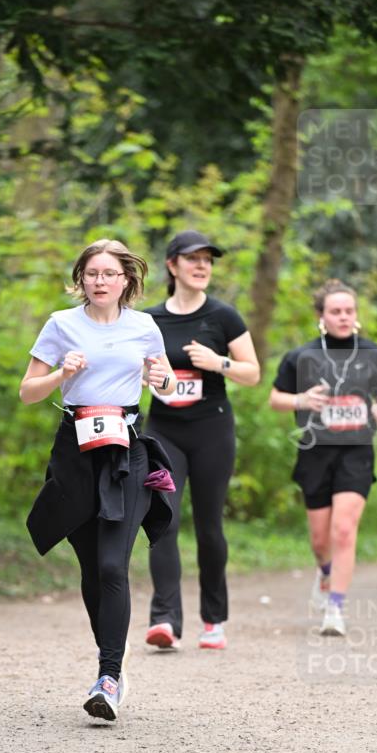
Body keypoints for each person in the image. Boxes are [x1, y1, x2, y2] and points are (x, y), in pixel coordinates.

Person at [21, 238, 176, 722]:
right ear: (80, 279)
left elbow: (167, 384)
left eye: (110, 274)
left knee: (113, 566)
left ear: (126, 279)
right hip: (75, 449)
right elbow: (28, 392)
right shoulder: (61, 325)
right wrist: (59, 375)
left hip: (125, 450)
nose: (101, 281)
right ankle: (113, 660)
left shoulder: (145, 327)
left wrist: (160, 379)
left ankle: (108, 676)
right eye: (92, 274)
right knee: (91, 568)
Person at [143, 230, 260, 651]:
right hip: (163, 430)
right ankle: (165, 621)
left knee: (209, 527)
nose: (202, 266)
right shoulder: (149, 320)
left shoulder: (223, 317)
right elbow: (132, 369)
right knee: (163, 521)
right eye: (193, 259)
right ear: (172, 265)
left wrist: (219, 362)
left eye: (208, 260)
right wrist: (146, 374)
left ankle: (213, 621)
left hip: (212, 429)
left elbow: (253, 372)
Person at [269, 278, 377, 636]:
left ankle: (335, 609)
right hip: (314, 453)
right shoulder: (300, 356)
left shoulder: (373, 353)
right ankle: (325, 574)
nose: (343, 316)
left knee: (344, 529)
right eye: (335, 311)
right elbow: (275, 398)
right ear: (321, 317)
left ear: (356, 316)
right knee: (320, 540)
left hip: (356, 451)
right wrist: (301, 400)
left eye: (349, 311)